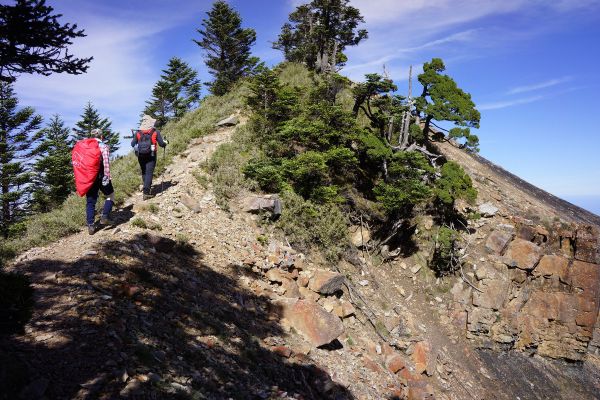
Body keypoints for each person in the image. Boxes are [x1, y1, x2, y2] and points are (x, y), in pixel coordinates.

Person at [86, 128, 115, 234]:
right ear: (101, 136)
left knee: (90, 201)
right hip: (101, 175)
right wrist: (107, 176)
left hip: (89, 178)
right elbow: (106, 163)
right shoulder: (104, 146)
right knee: (110, 195)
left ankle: (90, 226)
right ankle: (105, 216)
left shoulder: (86, 148)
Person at [131, 124, 167, 200]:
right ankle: (146, 192)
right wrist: (165, 143)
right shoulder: (155, 131)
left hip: (140, 155)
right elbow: (161, 143)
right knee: (149, 172)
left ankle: (146, 187)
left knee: (144, 171)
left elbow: (132, 144)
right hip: (152, 155)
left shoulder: (138, 132)